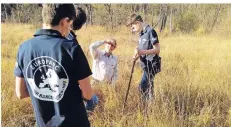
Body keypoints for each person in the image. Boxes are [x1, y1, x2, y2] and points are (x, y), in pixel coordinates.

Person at [14, 4, 93, 127]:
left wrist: (45, 92)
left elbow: (20, 93)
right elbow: (88, 94)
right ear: (64, 21)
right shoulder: (71, 48)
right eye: (70, 24)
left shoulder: (24, 48)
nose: (70, 29)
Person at [126, 14, 161, 104]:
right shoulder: (141, 34)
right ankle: (150, 107)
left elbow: (157, 50)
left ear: (137, 22)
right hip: (146, 66)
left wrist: (141, 52)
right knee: (149, 87)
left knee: (142, 87)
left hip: (152, 66)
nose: (132, 28)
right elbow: (141, 49)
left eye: (133, 26)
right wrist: (136, 55)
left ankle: (144, 106)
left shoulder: (150, 31)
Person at [85, 39, 118, 112]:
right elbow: (92, 47)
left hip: (106, 85)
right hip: (96, 83)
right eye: (109, 43)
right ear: (105, 44)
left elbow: (115, 73)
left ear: (114, 48)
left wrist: (112, 84)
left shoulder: (115, 58)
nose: (110, 46)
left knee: (102, 104)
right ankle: (88, 117)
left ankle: (99, 118)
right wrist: (103, 41)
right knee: (91, 102)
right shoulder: (98, 53)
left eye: (112, 45)